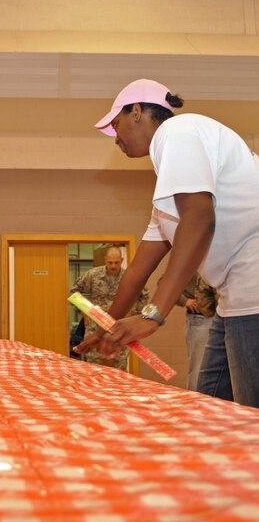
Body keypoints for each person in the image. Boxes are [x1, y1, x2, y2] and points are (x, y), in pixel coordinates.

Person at [76, 78, 259, 408]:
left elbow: (200, 220)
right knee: (210, 411)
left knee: (247, 417)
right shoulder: (172, 182)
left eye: (116, 125)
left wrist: (153, 315)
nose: (116, 139)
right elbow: (140, 268)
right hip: (232, 296)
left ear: (137, 112)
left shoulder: (178, 133)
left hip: (253, 288)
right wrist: (107, 326)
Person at [70, 245, 149, 370]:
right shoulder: (93, 275)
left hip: (120, 327)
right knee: (93, 367)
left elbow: (144, 296)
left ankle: (118, 389)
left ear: (122, 260)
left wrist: (134, 314)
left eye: (116, 263)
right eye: (110, 262)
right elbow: (73, 293)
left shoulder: (130, 277)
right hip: (96, 326)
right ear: (105, 259)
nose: (113, 266)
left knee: (120, 366)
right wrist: (83, 310)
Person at [174, 273, 217, 392]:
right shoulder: (193, 257)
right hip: (201, 317)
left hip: (222, 316)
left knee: (217, 368)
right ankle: (195, 404)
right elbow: (164, 282)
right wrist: (184, 301)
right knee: (198, 368)